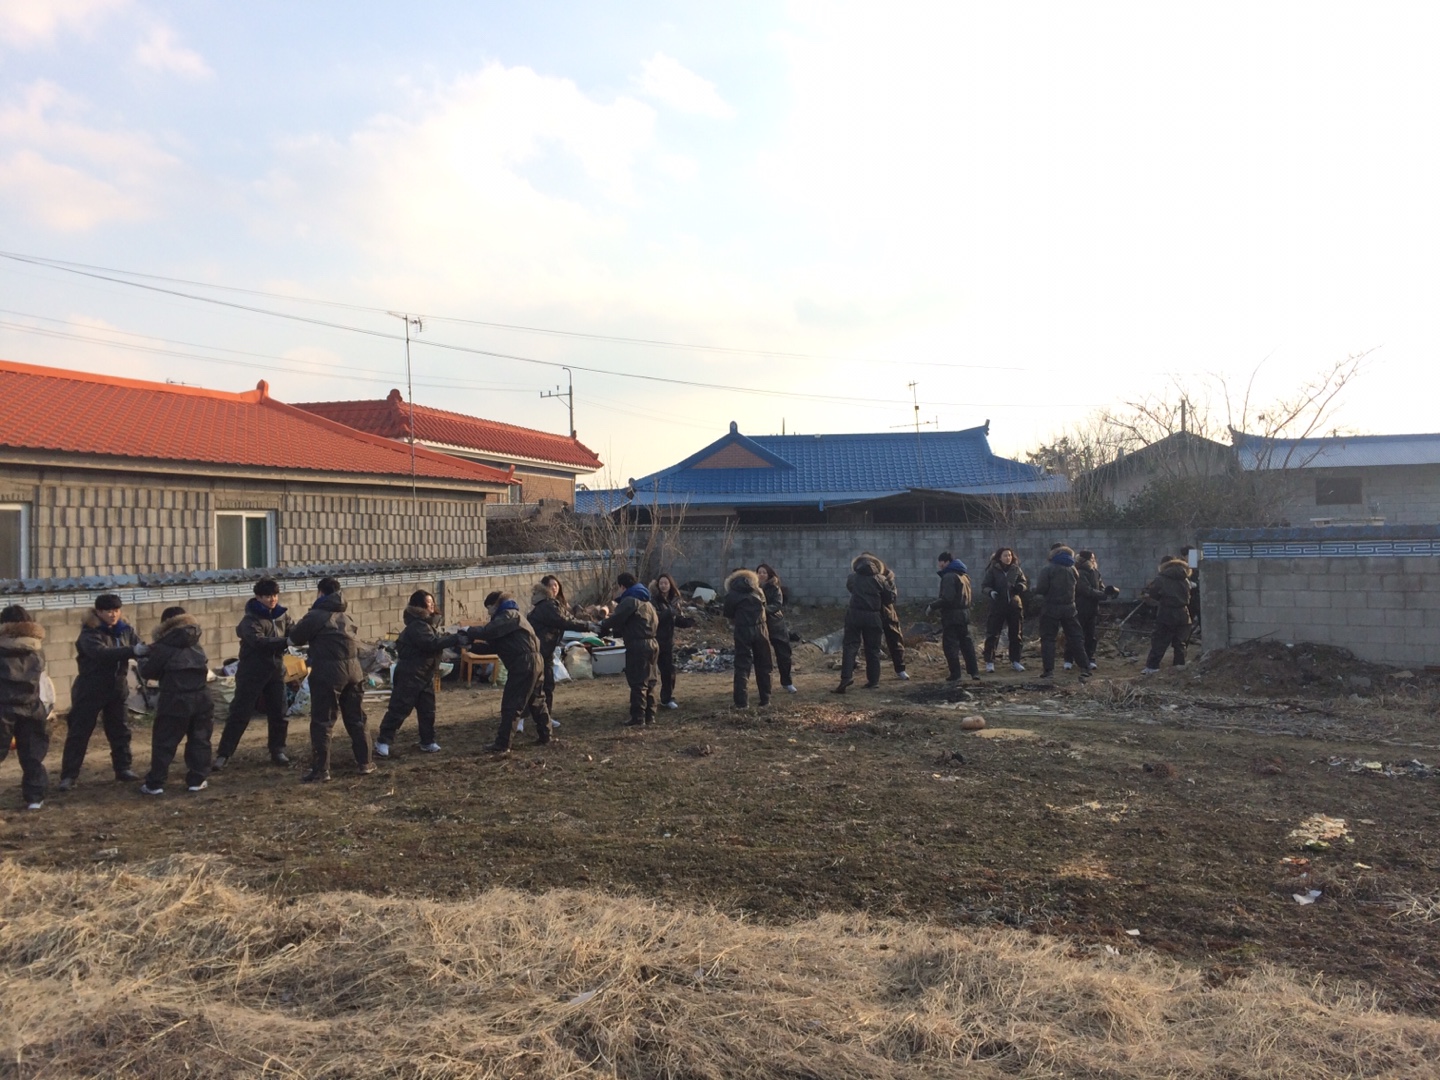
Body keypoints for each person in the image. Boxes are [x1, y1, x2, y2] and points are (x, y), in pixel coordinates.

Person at [288, 577, 373, 782]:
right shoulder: (345, 616)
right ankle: (365, 762)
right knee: (356, 717)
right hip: (354, 670)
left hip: (328, 672)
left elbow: (295, 638)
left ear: (320, 593)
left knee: (323, 721)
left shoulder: (316, 615)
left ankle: (321, 770)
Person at [58, 593, 145, 790]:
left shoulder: (125, 630)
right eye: (108, 611)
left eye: (116, 610)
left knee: (120, 730)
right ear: (98, 612)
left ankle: (123, 768)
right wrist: (133, 651)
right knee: (79, 732)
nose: (113, 615)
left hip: (118, 686)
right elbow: (101, 653)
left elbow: (140, 647)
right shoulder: (90, 633)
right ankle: (69, 775)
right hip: (91, 687)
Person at [214, 578, 293, 770]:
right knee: (240, 713)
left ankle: (277, 750)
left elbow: (294, 631)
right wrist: (286, 642)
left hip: (276, 670)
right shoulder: (249, 620)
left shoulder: (282, 616)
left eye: (275, 595)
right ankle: (224, 754)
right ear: (258, 597)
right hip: (252, 672)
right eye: (268, 596)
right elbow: (259, 642)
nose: (272, 599)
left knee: (279, 713)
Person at [375, 590, 463, 758]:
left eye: (432, 602)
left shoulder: (426, 625)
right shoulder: (417, 626)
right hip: (410, 673)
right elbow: (431, 643)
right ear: (420, 606)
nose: (432, 605)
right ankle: (383, 741)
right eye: (428, 603)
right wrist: (455, 639)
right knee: (399, 709)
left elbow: (435, 639)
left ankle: (427, 741)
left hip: (425, 674)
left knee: (427, 710)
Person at [138, 606, 214, 796]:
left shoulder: (163, 646)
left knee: (164, 742)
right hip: (202, 697)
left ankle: (155, 783)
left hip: (174, 698)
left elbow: (148, 672)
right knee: (200, 740)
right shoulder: (195, 642)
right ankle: (197, 780)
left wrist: (142, 658)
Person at [464, 590, 552, 751]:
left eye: (489, 608)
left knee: (512, 704)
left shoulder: (508, 615)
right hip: (534, 661)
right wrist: (471, 647)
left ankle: (503, 743)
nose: (488, 613)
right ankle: (546, 735)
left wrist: (468, 630)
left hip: (523, 663)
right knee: (537, 700)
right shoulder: (513, 618)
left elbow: (488, 631)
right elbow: (494, 646)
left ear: (495, 605)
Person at [0, 605, 50, 810]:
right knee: (33, 755)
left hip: (3, 708)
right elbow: (43, 681)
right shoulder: (37, 648)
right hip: (32, 706)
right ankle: (35, 799)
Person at [598, 572, 660, 726]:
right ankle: (650, 715)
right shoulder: (647, 602)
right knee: (650, 680)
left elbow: (616, 619)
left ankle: (638, 717)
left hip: (637, 645)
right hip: (652, 642)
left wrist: (601, 626)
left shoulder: (630, 601)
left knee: (637, 682)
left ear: (622, 586)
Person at [527, 575, 592, 717]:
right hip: (539, 650)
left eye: (556, 585)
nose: (555, 588)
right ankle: (525, 717)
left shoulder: (554, 604)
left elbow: (569, 618)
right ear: (545, 588)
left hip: (546, 650)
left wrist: (585, 621)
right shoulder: (547, 605)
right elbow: (564, 621)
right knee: (536, 685)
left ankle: (546, 716)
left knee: (546, 684)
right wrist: (588, 626)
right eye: (551, 585)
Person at [834, 553, 893, 693]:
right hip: (873, 616)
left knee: (850, 646)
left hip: (854, 614)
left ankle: (846, 677)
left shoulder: (852, 578)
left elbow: (850, 588)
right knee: (873, 649)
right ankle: (873, 681)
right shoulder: (881, 579)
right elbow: (889, 599)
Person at [1030, 545, 1091, 679]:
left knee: (1048, 639)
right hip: (1070, 608)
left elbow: (1041, 588)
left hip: (1050, 608)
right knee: (1075, 638)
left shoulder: (1048, 569)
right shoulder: (1073, 569)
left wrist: (1034, 591)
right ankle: (1085, 667)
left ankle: (1049, 670)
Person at [723, 568, 773, 708]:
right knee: (764, 665)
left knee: (742, 666)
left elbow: (728, 614)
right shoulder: (758, 591)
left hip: (742, 629)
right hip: (761, 629)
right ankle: (765, 699)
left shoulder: (731, 594)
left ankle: (741, 703)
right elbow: (764, 608)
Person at [1141, 556, 1194, 673]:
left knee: (1159, 641)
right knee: (1180, 643)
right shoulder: (1185, 579)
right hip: (1184, 614)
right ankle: (1179, 667)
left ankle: (1152, 667)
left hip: (1166, 613)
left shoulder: (1161, 578)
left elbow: (1153, 594)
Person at [980, 547, 1028, 673]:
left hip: (1014, 605)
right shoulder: (992, 570)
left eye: (1010, 555)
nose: (1008, 558)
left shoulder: (1016, 569)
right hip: (997, 606)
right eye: (1005, 555)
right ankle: (990, 661)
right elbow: (984, 586)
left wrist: (1020, 587)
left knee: (1016, 634)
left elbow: (1024, 582)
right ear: (1000, 557)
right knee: (992, 634)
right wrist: (991, 592)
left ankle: (1016, 660)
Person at [935, 552, 981, 682]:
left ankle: (955, 673)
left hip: (951, 615)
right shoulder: (964, 576)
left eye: (940, 562)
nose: (939, 565)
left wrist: (933, 606)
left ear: (946, 562)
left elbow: (947, 598)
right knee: (967, 644)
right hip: (965, 614)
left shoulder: (949, 576)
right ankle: (974, 672)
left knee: (950, 645)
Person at [651, 573, 694, 708]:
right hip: (654, 640)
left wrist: (687, 622)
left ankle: (667, 699)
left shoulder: (674, 601)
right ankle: (647, 700)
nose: (663, 586)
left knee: (669, 671)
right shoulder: (653, 600)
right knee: (650, 673)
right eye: (661, 583)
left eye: (666, 583)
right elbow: (655, 619)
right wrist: (669, 612)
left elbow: (675, 619)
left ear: (670, 585)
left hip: (667, 641)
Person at [1074, 551, 1120, 670]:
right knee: (1079, 634)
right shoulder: (1080, 572)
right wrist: (1103, 595)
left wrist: (1109, 592)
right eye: (1092, 558)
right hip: (1080, 607)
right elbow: (1085, 590)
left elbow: (1100, 586)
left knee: (1091, 635)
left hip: (1092, 608)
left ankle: (1089, 657)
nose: (1094, 560)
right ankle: (1074, 658)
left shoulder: (1095, 572)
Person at [756, 563, 797, 693]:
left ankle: (787, 682)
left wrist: (762, 610)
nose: (761, 575)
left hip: (776, 624)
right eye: (759, 572)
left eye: (764, 572)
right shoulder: (753, 588)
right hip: (759, 626)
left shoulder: (774, 588)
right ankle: (765, 686)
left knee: (783, 655)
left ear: (769, 574)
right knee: (763, 657)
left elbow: (777, 605)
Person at [869, 553, 909, 681]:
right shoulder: (865, 578)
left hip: (887, 613)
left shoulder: (887, 577)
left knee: (895, 641)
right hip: (872, 614)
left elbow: (892, 597)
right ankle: (873, 676)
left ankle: (901, 669)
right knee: (872, 645)